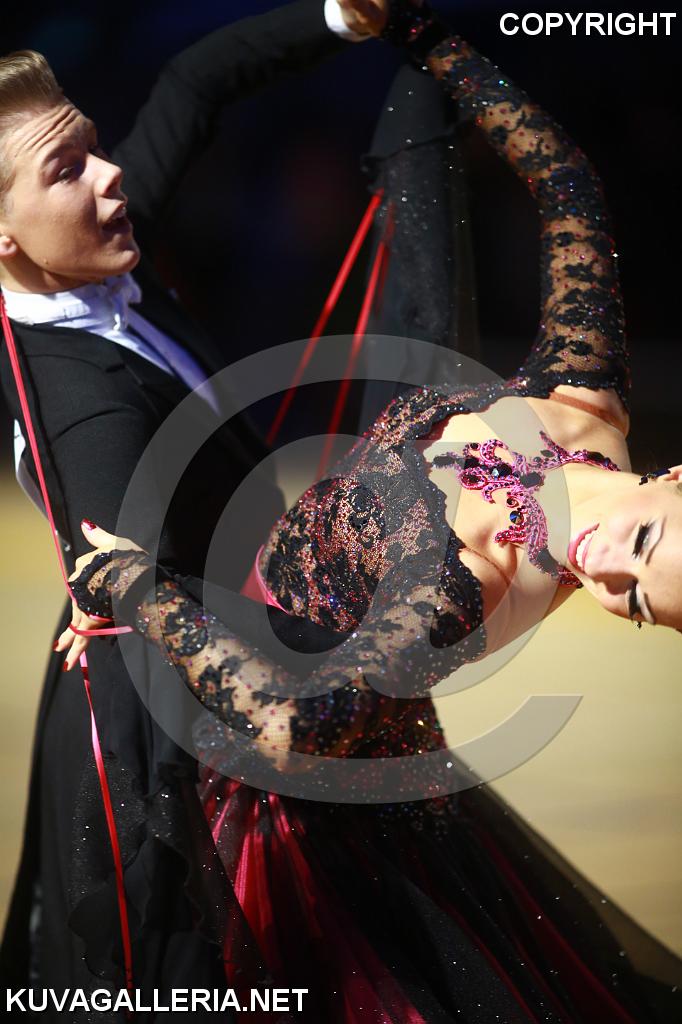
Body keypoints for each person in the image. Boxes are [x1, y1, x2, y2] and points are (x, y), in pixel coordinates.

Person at [66, 1, 682, 1021]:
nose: (604, 570)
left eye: (635, 605)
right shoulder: (585, 400)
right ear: (673, 480)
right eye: (646, 545)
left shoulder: (466, 582)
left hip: (286, 751)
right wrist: (428, 37)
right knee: (417, 110)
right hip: (297, 634)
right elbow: (566, 180)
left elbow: (292, 722)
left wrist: (138, 587)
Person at [0, 1, 388, 1009]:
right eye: (67, 169)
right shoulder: (83, 410)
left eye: (93, 147)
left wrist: (342, 13)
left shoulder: (90, 247)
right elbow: (148, 602)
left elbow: (192, 82)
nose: (111, 173)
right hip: (175, 730)